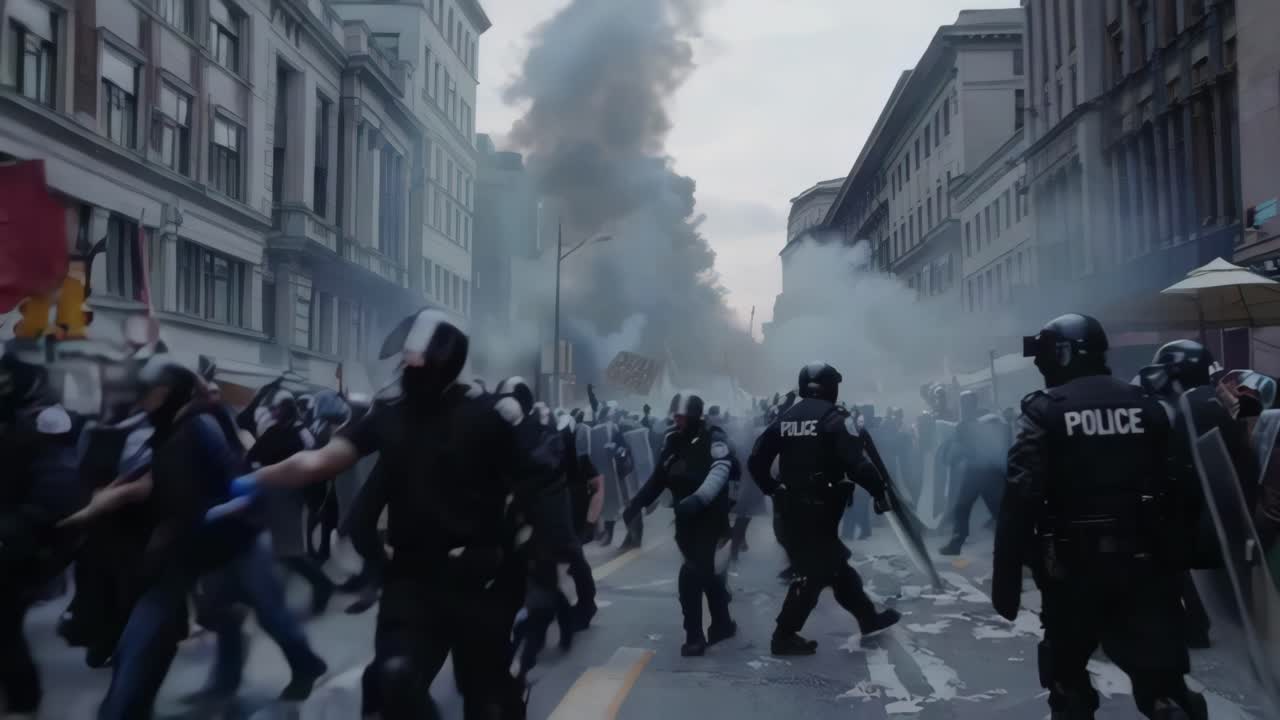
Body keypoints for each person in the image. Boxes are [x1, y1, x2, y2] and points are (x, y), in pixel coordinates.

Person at [211, 309, 540, 719]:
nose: (409, 369)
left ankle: (509, 692)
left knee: (488, 701)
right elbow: (318, 462)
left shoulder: (491, 418)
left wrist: (524, 567)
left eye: (418, 362)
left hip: (480, 581)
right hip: (413, 580)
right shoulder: (389, 415)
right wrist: (257, 478)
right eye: (407, 361)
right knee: (393, 678)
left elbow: (531, 492)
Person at [993, 314, 1206, 720]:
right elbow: (1183, 487)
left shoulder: (1046, 412)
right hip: (1146, 567)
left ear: (1064, 354)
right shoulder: (1149, 407)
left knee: (1067, 681)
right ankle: (1167, 704)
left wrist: (1005, 582)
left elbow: (1020, 499)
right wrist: (1178, 558)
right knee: (1162, 681)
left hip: (1072, 573)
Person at [90, 356, 325, 719]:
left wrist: (204, 515)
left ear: (169, 394)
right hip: (189, 545)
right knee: (218, 615)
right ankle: (220, 684)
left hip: (237, 540)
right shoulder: (164, 428)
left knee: (271, 613)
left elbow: (238, 487)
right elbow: (154, 478)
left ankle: (305, 664)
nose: (143, 403)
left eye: (150, 396)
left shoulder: (202, 425)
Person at [748, 363, 901, 656]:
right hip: (821, 508)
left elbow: (756, 460)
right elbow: (857, 464)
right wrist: (879, 492)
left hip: (791, 507)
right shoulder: (835, 419)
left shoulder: (786, 418)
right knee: (814, 573)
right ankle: (784, 635)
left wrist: (773, 489)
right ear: (831, 387)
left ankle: (868, 618)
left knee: (837, 569)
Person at [622, 393, 738, 656]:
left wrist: (700, 499)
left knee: (691, 575)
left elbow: (721, 471)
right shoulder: (672, 441)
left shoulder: (715, 439)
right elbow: (659, 477)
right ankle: (722, 623)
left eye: (682, 415)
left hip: (710, 518)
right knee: (707, 574)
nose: (677, 419)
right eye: (675, 415)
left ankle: (694, 636)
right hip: (685, 520)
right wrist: (636, 504)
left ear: (695, 415)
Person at [938, 391, 1008, 555]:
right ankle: (956, 544)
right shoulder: (991, 419)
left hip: (979, 472)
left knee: (964, 508)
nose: (963, 406)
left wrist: (949, 458)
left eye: (964, 403)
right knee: (973, 509)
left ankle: (957, 544)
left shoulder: (966, 425)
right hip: (988, 472)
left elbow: (956, 451)